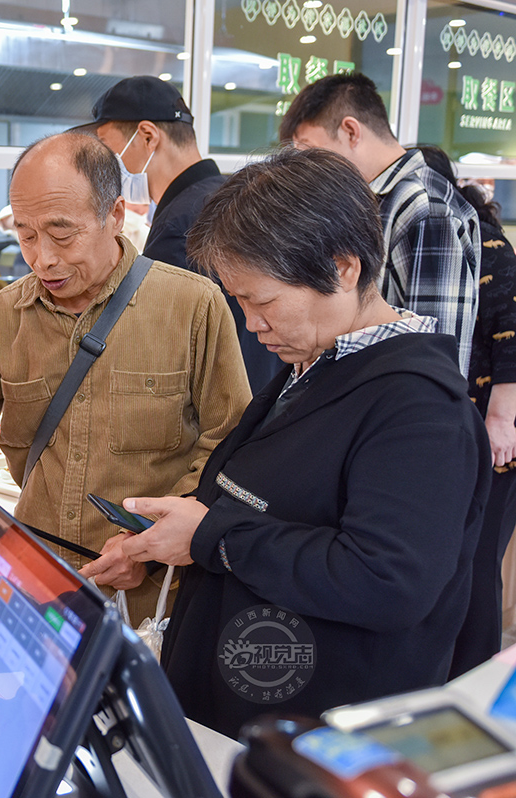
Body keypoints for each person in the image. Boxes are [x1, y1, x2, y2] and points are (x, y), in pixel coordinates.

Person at [114, 147, 489, 738]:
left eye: (261, 302)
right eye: (240, 302)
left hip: (316, 738)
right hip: (239, 712)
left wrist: (212, 535)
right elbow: (278, 506)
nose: (252, 323)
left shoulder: (419, 408)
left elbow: (388, 580)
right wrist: (173, 540)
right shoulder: (316, 362)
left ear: (343, 268)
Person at [0, 131, 251, 625]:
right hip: (36, 586)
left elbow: (229, 447)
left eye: (61, 234)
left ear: (115, 216)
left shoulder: (193, 306)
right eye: (26, 234)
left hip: (155, 600)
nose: (43, 258)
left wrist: (147, 543)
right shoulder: (3, 317)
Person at [85, 76, 280, 392]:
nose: (105, 164)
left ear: (148, 136)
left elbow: (167, 359)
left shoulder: (180, 227)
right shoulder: (232, 195)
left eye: (107, 148)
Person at [279, 73, 480, 377]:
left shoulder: (425, 207)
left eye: (309, 149)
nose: (308, 166)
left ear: (350, 131)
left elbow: (434, 360)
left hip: (394, 411)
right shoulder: (368, 202)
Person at [418, 145, 516, 677]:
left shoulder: (486, 241)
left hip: (495, 433)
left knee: (478, 562)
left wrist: (501, 419)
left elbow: (512, 332)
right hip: (471, 426)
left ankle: (474, 679)